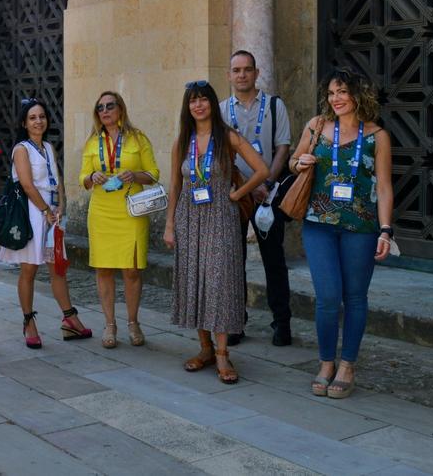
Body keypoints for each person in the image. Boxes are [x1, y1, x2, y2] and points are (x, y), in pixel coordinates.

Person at [290, 68, 393, 399]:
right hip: (318, 224)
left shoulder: (378, 136)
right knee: (328, 296)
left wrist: (386, 230)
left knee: (356, 297)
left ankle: (347, 365)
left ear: (358, 95)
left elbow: (386, 186)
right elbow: (293, 161)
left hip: (360, 227)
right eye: (332, 92)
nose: (336, 98)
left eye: (343, 92)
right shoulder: (316, 126)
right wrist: (300, 162)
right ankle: (325, 362)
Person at [165, 80, 268, 382]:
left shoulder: (228, 137)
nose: (198, 105)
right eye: (192, 101)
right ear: (188, 107)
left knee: (219, 283)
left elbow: (261, 169)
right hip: (189, 217)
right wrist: (170, 225)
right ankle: (205, 348)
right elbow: (175, 185)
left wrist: (238, 194)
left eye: (203, 100)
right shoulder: (182, 141)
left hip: (221, 217)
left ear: (212, 103)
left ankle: (223, 355)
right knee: (195, 280)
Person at [0, 98, 92, 348]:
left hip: (52, 215)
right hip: (32, 213)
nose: (38, 121)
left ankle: (70, 319)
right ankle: (29, 322)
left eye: (41, 116)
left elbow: (57, 180)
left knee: (57, 268)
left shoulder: (48, 147)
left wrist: (61, 204)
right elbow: (27, 184)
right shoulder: (22, 149)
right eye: (32, 118)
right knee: (29, 269)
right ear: (24, 123)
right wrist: (46, 210)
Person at [220, 50, 293, 346]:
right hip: (237, 195)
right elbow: (224, 155)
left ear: (256, 73)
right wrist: (247, 186)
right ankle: (236, 322)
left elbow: (283, 149)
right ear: (229, 75)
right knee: (233, 260)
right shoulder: (222, 109)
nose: (242, 75)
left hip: (269, 195)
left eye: (247, 69)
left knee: (273, 259)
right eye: (236, 70)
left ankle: (282, 323)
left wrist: (268, 183)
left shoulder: (275, 106)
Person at [80, 91, 160, 348]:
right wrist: (92, 176)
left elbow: (154, 174)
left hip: (131, 209)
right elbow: (82, 179)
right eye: (100, 107)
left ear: (120, 109)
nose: (105, 111)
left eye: (109, 106)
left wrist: (135, 175)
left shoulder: (138, 138)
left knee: (132, 269)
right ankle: (110, 324)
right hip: (102, 210)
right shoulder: (92, 141)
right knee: (103, 268)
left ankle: (133, 322)